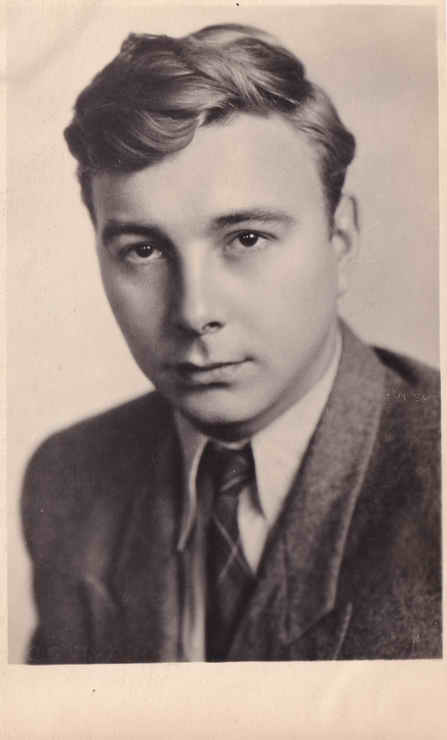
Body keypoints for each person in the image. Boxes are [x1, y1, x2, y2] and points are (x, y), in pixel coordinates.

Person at [22, 23, 441, 663]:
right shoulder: (70, 482)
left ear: (340, 241)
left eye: (245, 238)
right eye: (143, 249)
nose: (195, 312)